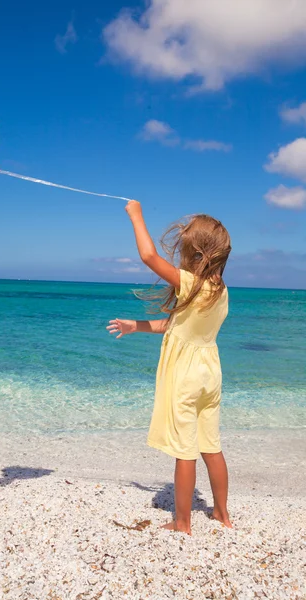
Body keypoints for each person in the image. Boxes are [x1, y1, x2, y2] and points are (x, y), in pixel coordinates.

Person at [107, 200, 232, 535]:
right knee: (211, 446)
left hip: (186, 376)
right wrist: (138, 326)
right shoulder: (220, 292)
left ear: (195, 253)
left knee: (184, 450)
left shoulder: (189, 283)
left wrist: (136, 215)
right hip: (211, 373)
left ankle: (182, 522)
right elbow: (179, 326)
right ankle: (221, 514)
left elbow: (149, 257)